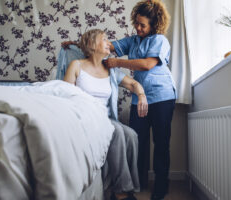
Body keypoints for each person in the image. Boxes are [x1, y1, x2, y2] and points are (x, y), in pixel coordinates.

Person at [103, 1, 177, 200]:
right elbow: (105, 45)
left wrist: (117, 62)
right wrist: (77, 43)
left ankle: (161, 186)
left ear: (154, 25)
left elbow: (146, 64)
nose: (138, 27)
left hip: (162, 96)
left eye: (143, 25)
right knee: (137, 141)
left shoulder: (160, 40)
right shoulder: (133, 41)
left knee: (161, 142)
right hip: (139, 97)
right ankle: (139, 182)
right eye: (137, 23)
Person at [63, 29, 148, 200]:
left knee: (131, 135)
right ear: (92, 45)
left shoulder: (110, 71)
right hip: (84, 118)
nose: (109, 43)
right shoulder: (76, 65)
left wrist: (141, 95)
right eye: (104, 39)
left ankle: (129, 186)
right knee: (115, 132)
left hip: (105, 118)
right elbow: (64, 94)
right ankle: (120, 191)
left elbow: (133, 84)